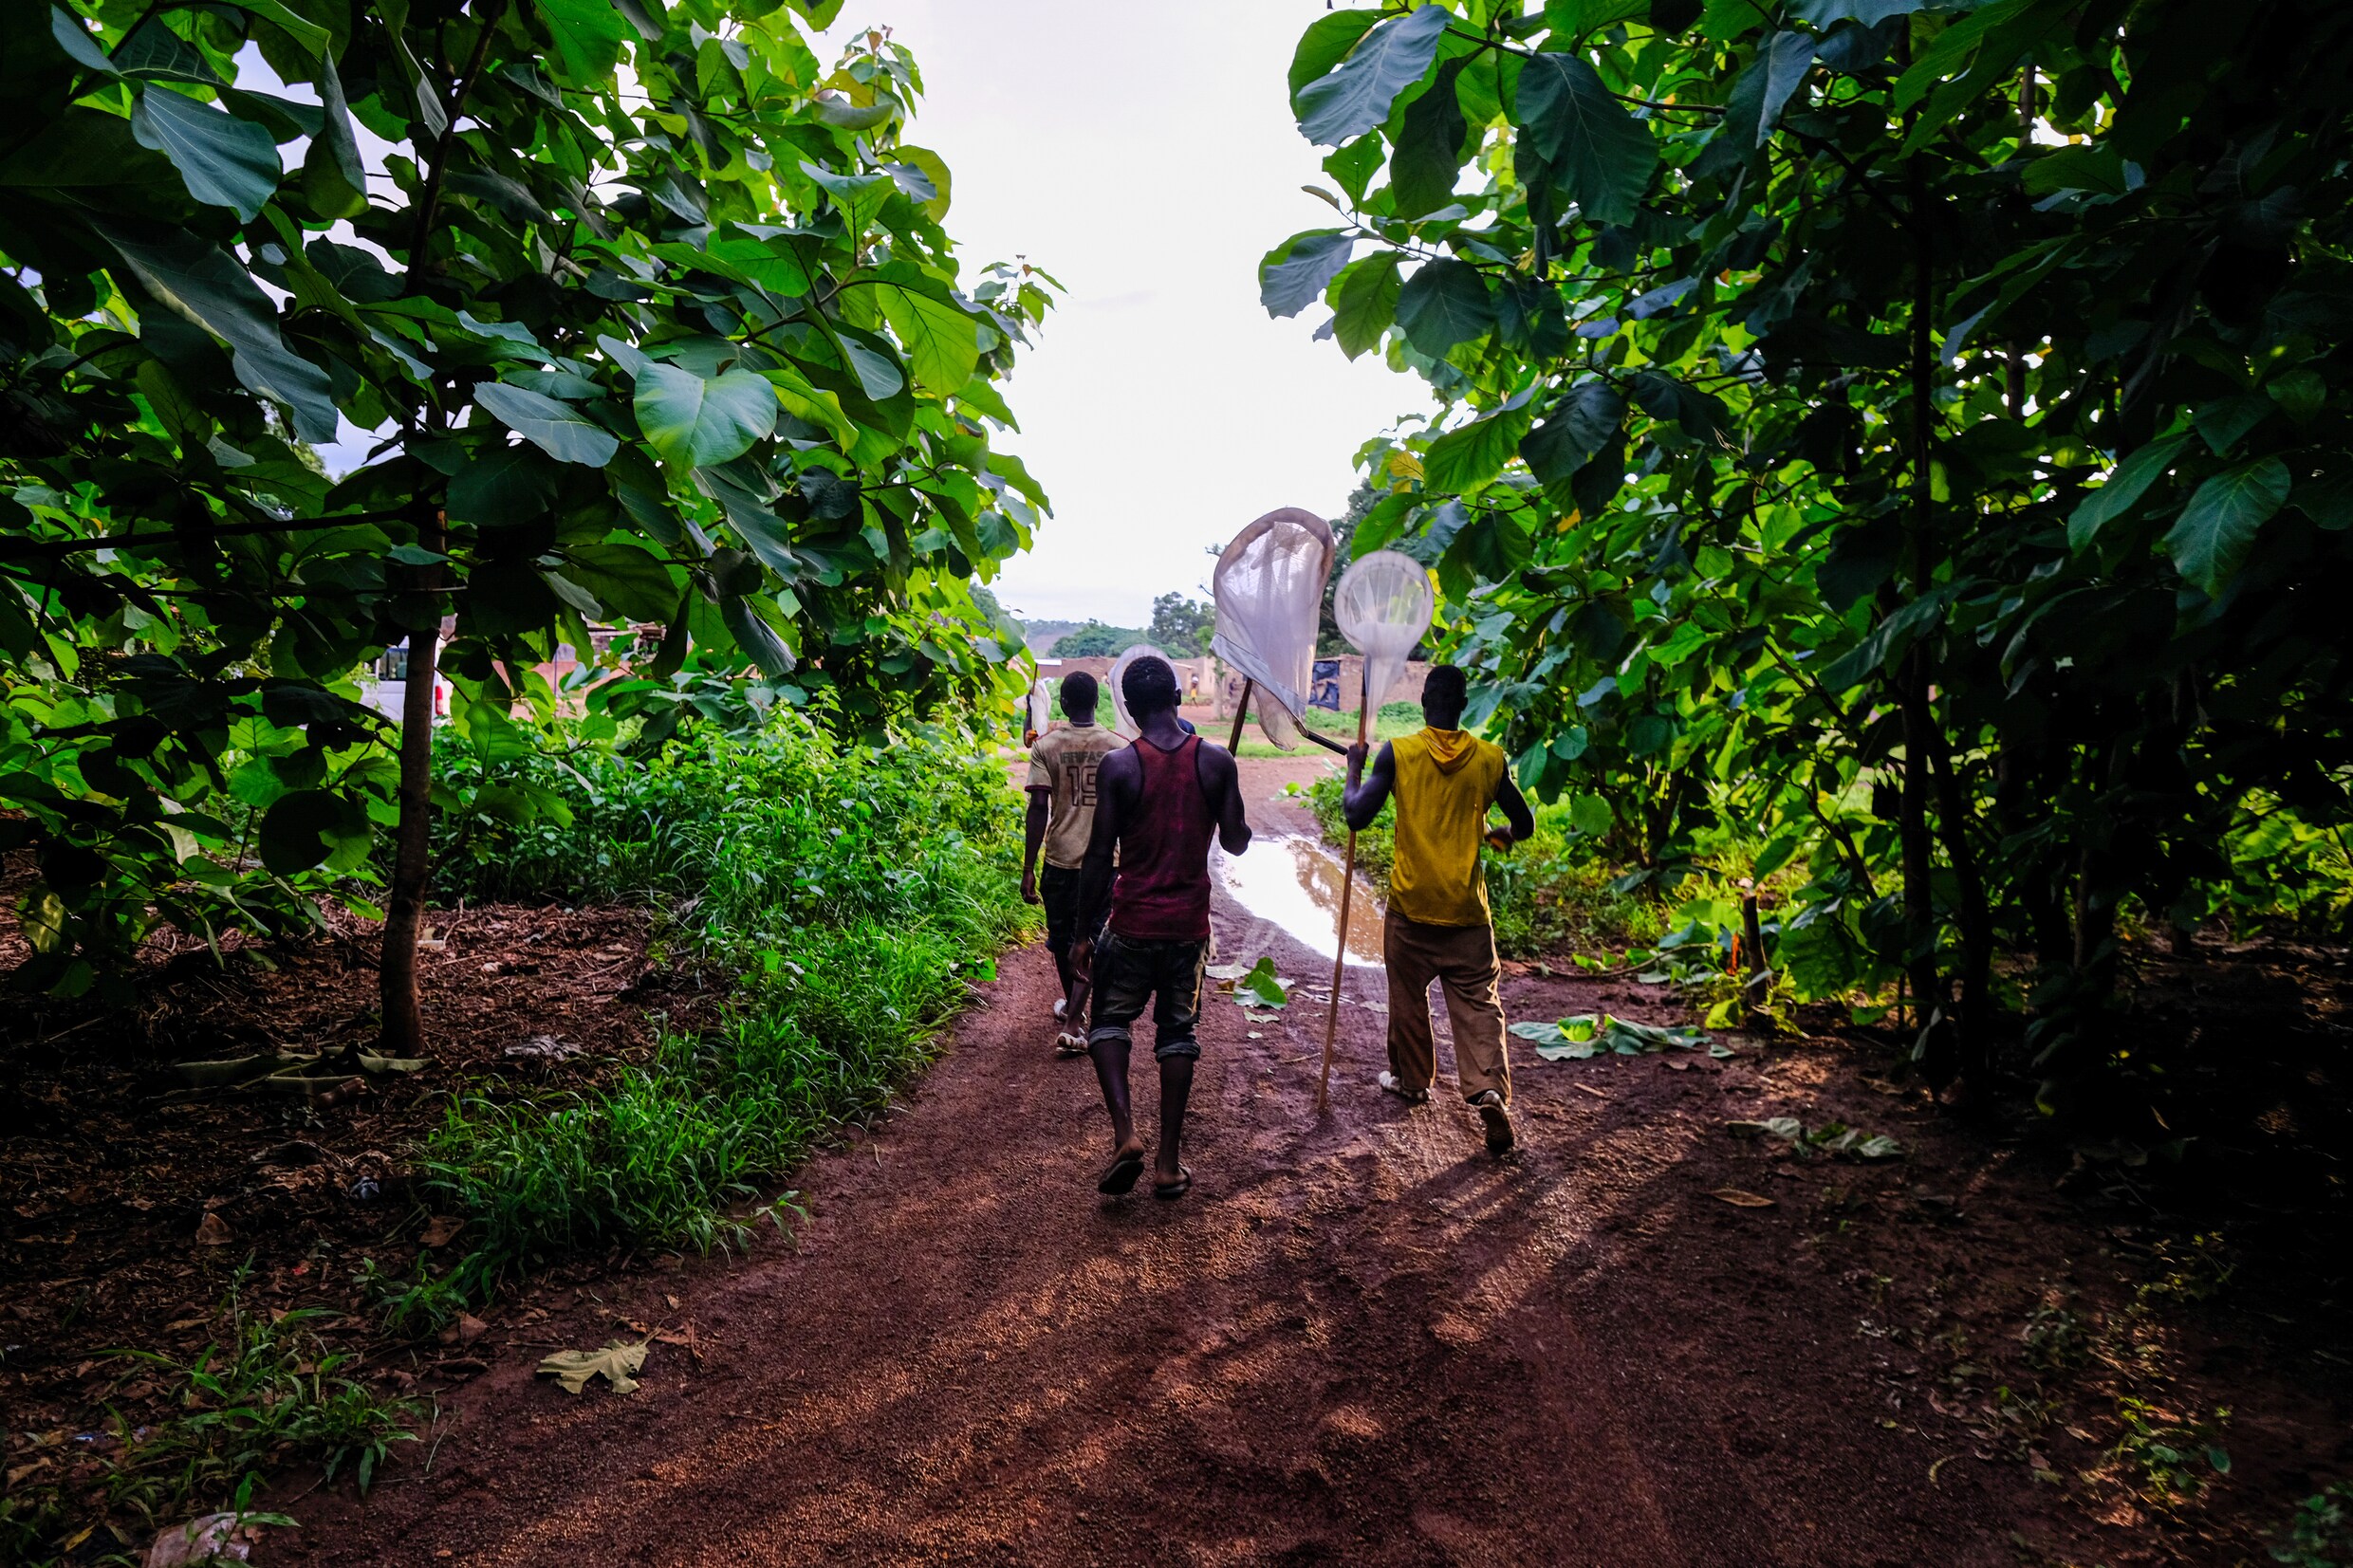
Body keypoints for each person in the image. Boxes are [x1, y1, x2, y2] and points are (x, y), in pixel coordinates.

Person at [1070, 655, 1251, 1199]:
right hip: (1189, 926)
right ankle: (1169, 1165)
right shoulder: (1216, 761)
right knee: (1178, 1035)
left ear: (1126, 705)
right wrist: (1227, 794)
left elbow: (1100, 856)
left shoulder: (1120, 767)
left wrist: (1083, 933)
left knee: (1108, 1024)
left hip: (1131, 923)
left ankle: (1126, 1135)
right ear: (1176, 696)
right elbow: (1238, 840)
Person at [1342, 664, 1535, 1157]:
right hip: (1468, 913)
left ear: (1424, 701)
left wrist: (1355, 768)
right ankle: (1487, 1087)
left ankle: (1411, 1081)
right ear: (1464, 704)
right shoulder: (1490, 760)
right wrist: (1502, 834)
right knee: (1477, 1004)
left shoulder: (1399, 753)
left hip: (1411, 908)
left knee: (1407, 999)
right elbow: (1524, 822)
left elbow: (1355, 815)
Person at [1021, 673, 1122, 1055]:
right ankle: (1076, 1011)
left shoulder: (1047, 746)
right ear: (1097, 703)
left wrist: (1029, 866)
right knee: (1091, 939)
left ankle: (1074, 1019)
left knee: (1064, 940)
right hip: (1106, 860)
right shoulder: (1117, 747)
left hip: (1061, 859)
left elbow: (1038, 807)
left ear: (1062, 703)